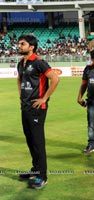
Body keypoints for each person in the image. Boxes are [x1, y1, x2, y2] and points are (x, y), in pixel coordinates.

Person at [17, 34, 60, 189]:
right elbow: (19, 79)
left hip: (37, 108)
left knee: (37, 141)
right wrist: (21, 96)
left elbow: (55, 79)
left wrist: (44, 99)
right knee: (29, 139)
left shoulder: (39, 62)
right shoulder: (21, 63)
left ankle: (42, 176)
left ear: (31, 47)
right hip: (25, 107)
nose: (19, 46)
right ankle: (35, 170)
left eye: (23, 44)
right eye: (19, 43)